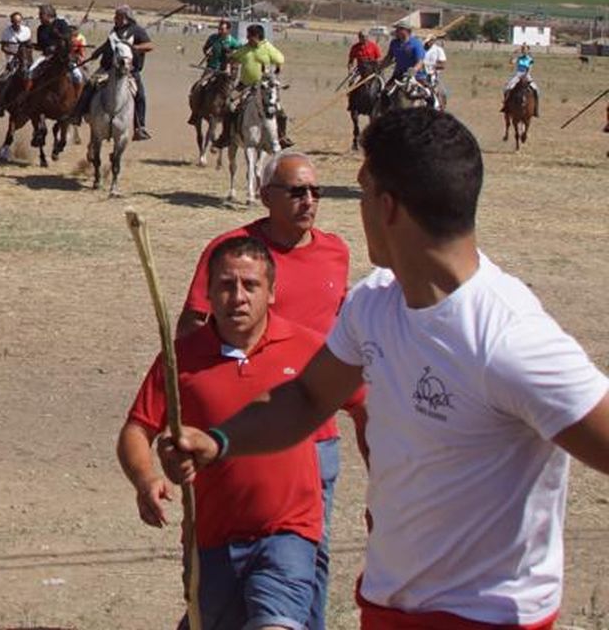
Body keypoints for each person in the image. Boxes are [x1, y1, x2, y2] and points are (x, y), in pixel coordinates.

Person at [159, 108, 609, 630]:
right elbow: (307, 398)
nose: (355, 208)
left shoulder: (509, 338)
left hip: (489, 617)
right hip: (387, 604)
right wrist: (220, 441)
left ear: (388, 206)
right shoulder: (375, 302)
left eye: (363, 192)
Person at [121, 236, 361, 630]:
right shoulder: (181, 358)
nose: (238, 297)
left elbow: (367, 405)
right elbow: (137, 428)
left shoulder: (308, 349)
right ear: (209, 292)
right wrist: (146, 478)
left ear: (271, 293)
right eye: (226, 285)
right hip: (212, 541)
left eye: (250, 285)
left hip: (289, 535)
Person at [176, 152, 354, 629]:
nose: (309, 201)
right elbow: (192, 330)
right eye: (297, 192)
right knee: (225, 559)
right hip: (242, 430)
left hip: (318, 442)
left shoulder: (337, 251)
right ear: (266, 195)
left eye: (316, 192)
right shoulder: (236, 250)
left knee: (309, 560)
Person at [225, 23, 292, 148]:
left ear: (257, 36)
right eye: (248, 35)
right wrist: (229, 58)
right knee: (228, 104)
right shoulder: (245, 49)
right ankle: (226, 136)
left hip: (264, 87)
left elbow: (280, 59)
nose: (248, 38)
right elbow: (234, 58)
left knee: (280, 112)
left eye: (250, 35)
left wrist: (277, 68)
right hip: (244, 85)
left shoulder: (267, 48)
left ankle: (282, 136)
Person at [107, 6, 155, 140]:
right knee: (91, 85)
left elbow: (150, 46)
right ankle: (79, 114)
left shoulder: (137, 30)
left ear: (125, 17)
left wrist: (134, 47)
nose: (114, 19)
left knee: (140, 96)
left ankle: (140, 128)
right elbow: (108, 46)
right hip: (111, 69)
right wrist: (96, 53)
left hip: (131, 71)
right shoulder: (114, 31)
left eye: (117, 16)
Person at [502, 44, 539, 116]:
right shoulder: (519, 58)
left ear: (528, 51)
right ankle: (506, 105)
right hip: (518, 74)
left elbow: (530, 69)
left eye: (526, 50)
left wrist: (525, 76)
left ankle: (535, 109)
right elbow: (511, 62)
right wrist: (514, 54)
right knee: (507, 88)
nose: (524, 52)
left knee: (536, 89)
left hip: (526, 75)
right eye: (523, 50)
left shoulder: (530, 59)